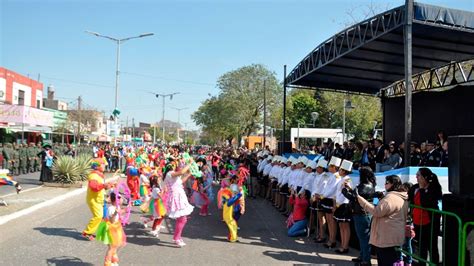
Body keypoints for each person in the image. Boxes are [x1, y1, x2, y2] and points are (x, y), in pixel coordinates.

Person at [356, 175, 409, 266]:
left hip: (387, 238)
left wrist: (360, 199)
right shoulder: (399, 196)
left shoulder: (391, 198)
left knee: (385, 261)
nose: (384, 185)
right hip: (391, 236)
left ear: (393, 184)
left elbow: (376, 212)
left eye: (386, 183)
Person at [408, 168, 442, 266]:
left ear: (425, 177)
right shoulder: (414, 188)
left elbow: (425, 203)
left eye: (418, 175)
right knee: (421, 246)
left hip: (430, 222)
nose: (416, 177)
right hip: (418, 222)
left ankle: (434, 264)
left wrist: (423, 189)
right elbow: (410, 199)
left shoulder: (433, 188)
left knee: (432, 246)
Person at [342, 166, 375, 266]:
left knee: (364, 238)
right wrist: (349, 189)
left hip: (361, 214)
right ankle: (362, 256)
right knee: (362, 238)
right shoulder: (368, 185)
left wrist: (344, 191)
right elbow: (357, 195)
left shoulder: (365, 186)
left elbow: (355, 198)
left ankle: (366, 260)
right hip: (361, 214)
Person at [164, 159, 194, 247]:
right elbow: (181, 172)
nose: (176, 166)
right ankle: (176, 238)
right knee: (182, 219)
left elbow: (180, 181)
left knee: (182, 219)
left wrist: (188, 175)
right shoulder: (170, 174)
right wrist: (190, 163)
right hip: (176, 198)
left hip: (180, 197)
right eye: (175, 164)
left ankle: (177, 237)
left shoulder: (172, 175)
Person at [82, 160, 114, 240]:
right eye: (103, 164)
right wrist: (104, 185)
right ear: (97, 166)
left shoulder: (99, 175)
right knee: (98, 216)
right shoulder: (93, 176)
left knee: (104, 216)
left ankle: (103, 232)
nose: (104, 166)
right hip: (94, 200)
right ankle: (87, 232)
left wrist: (107, 188)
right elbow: (94, 187)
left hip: (100, 199)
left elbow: (100, 188)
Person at [96, 192, 126, 266]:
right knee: (112, 247)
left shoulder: (117, 207)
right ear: (116, 200)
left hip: (116, 227)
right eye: (121, 198)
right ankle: (107, 263)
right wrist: (116, 213)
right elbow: (112, 220)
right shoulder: (111, 209)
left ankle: (113, 261)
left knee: (114, 246)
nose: (122, 200)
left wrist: (125, 210)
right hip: (111, 229)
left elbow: (120, 213)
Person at [333, 159, 353, 254]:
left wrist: (338, 203)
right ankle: (342, 244)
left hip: (344, 204)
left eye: (340, 169)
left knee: (345, 226)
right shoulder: (341, 179)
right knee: (341, 225)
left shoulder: (347, 179)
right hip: (339, 204)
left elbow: (346, 193)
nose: (339, 170)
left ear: (344, 171)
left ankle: (345, 246)